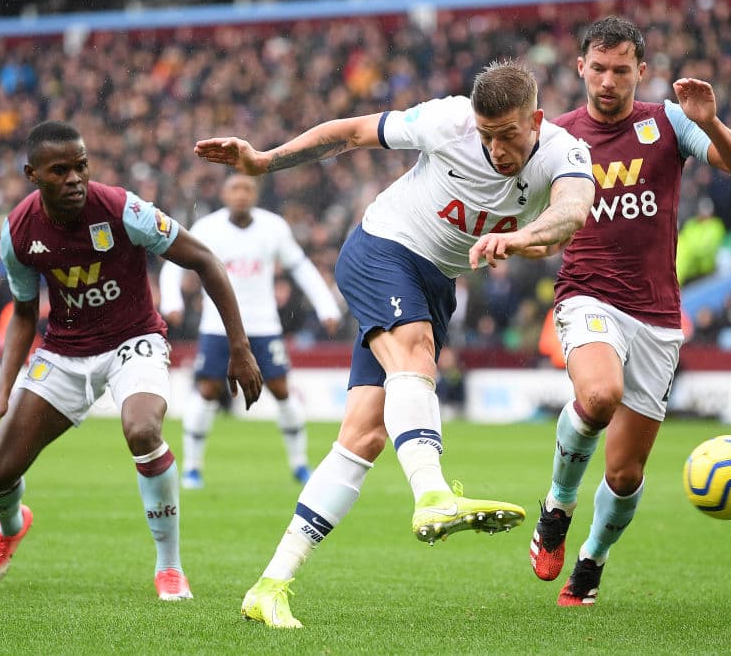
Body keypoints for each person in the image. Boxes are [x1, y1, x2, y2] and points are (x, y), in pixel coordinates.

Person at [194, 58, 595, 628]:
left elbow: (573, 211)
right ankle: (432, 492)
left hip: (434, 282)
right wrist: (265, 160)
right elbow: (352, 132)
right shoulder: (448, 122)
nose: (497, 149)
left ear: (535, 119)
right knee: (416, 349)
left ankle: (270, 584)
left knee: (363, 436)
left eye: (508, 135)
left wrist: (525, 236)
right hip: (382, 248)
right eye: (487, 136)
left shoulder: (564, 153)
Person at [0, 121, 263, 600]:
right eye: (59, 170)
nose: (74, 178)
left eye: (81, 166)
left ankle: (169, 567)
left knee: (143, 431)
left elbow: (206, 260)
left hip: (135, 340)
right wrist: (4, 391)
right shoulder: (18, 233)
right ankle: (11, 526)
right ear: (32, 175)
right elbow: (25, 313)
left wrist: (240, 346)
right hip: (64, 351)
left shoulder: (122, 209)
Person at [529, 17, 731, 606]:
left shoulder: (667, 122)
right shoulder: (556, 136)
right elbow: (519, 201)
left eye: (621, 70)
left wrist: (710, 122)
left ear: (641, 72)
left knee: (626, 473)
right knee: (599, 397)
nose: (608, 81)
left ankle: (592, 561)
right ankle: (556, 507)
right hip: (586, 293)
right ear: (580, 67)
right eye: (598, 69)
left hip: (657, 314)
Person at [159, 173, 342, 489]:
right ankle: (192, 468)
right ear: (224, 194)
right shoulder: (207, 228)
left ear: (255, 194)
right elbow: (175, 264)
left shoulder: (273, 227)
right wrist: (172, 299)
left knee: (282, 389)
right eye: (235, 188)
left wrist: (326, 305)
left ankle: (299, 465)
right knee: (207, 391)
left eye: (247, 188)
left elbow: (300, 266)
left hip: (263, 325)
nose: (241, 194)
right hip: (218, 326)